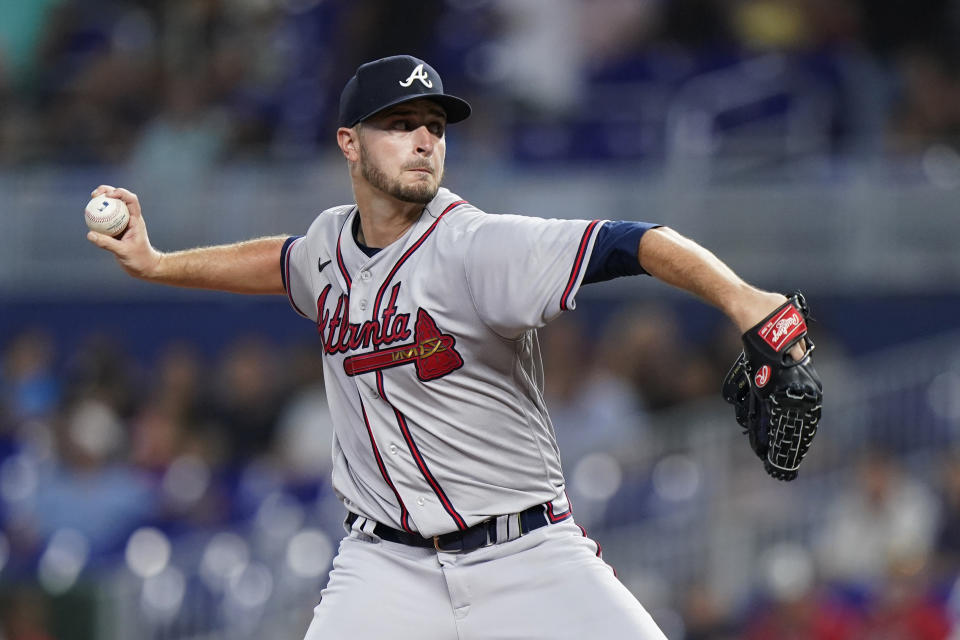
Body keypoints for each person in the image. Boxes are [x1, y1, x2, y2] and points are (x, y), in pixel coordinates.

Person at [86, 54, 808, 639]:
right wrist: (159, 263)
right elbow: (283, 261)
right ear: (349, 142)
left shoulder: (477, 247)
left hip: (528, 556)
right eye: (400, 124)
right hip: (384, 568)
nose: (424, 138)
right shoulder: (332, 244)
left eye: (434, 123)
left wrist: (748, 303)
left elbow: (637, 242)